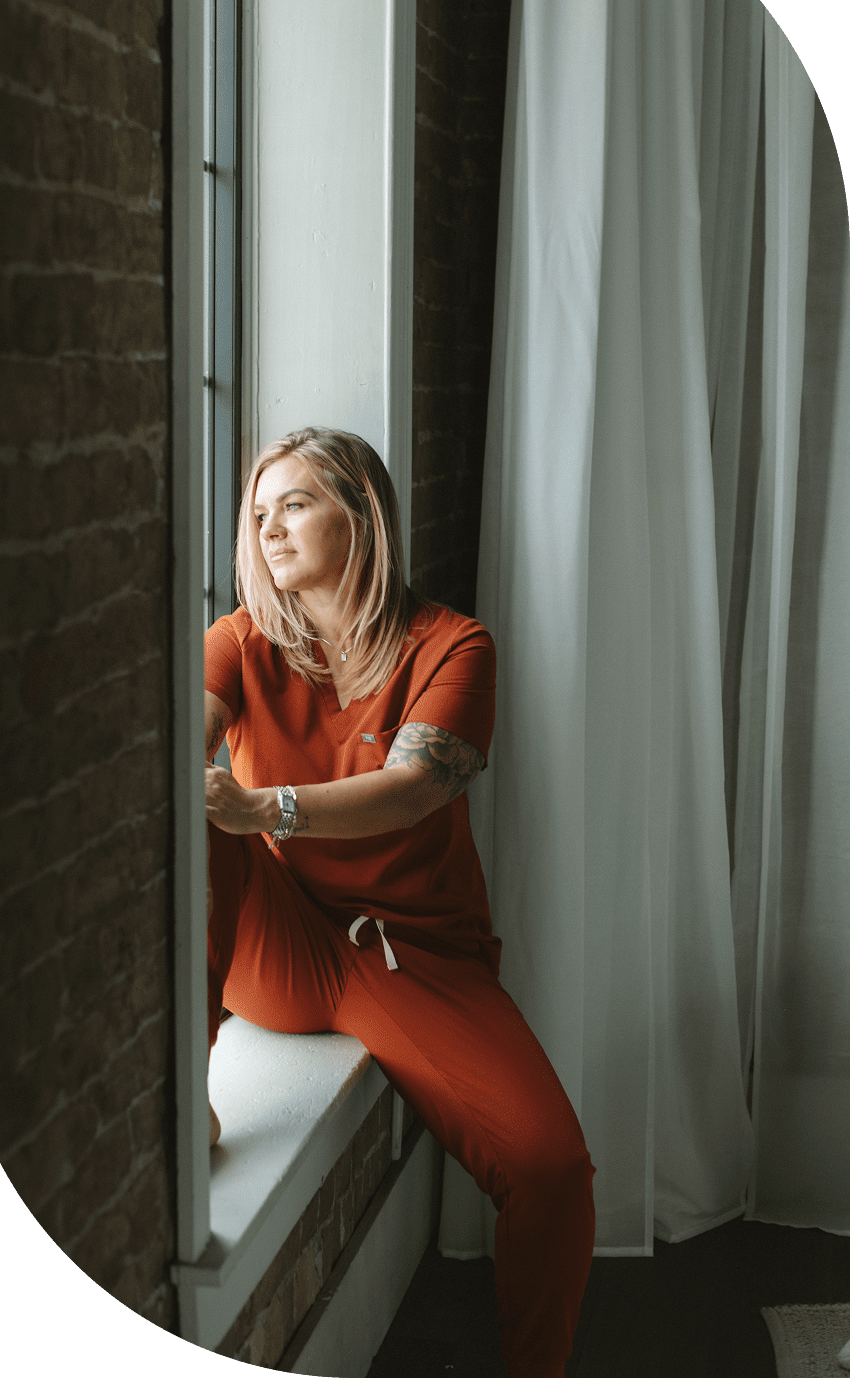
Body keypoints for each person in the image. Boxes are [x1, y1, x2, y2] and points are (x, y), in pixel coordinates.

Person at [204, 426, 594, 1378]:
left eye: (295, 504)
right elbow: (179, 733)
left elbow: (417, 786)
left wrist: (262, 805)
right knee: (186, 813)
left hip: (410, 954)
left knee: (551, 1172)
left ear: (363, 513)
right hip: (282, 937)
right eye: (258, 514)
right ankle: (188, 1085)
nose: (270, 529)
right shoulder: (241, 641)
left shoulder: (453, 645)